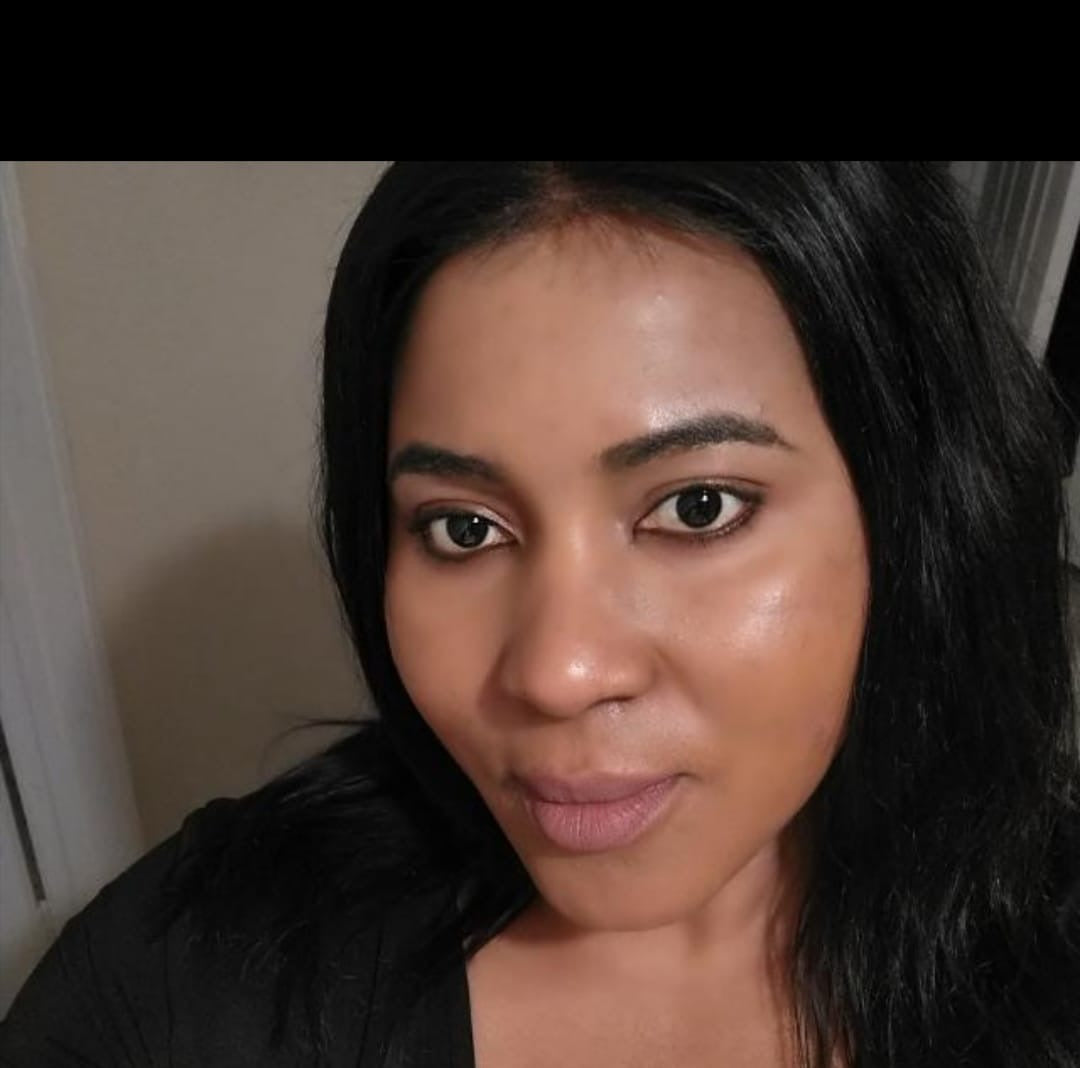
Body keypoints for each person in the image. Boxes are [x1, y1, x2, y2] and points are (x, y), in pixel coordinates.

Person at [2, 161, 1079, 1067]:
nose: (557, 672)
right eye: (463, 528)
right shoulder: (190, 983)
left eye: (698, 508)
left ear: (918, 517)